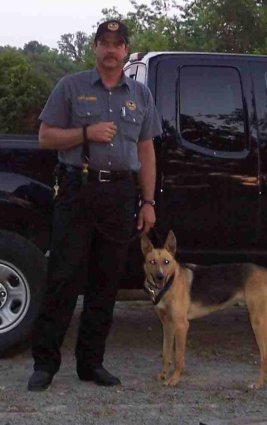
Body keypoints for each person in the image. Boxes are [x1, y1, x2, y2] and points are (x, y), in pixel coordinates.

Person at [27, 20, 162, 391]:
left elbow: (146, 150)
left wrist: (148, 202)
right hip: (77, 190)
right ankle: (45, 363)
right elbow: (45, 137)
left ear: (126, 51)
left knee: (106, 283)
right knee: (63, 279)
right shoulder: (70, 87)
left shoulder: (140, 95)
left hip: (120, 196)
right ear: (95, 48)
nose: (111, 50)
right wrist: (86, 133)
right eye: (104, 43)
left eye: (118, 45)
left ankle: (91, 363)